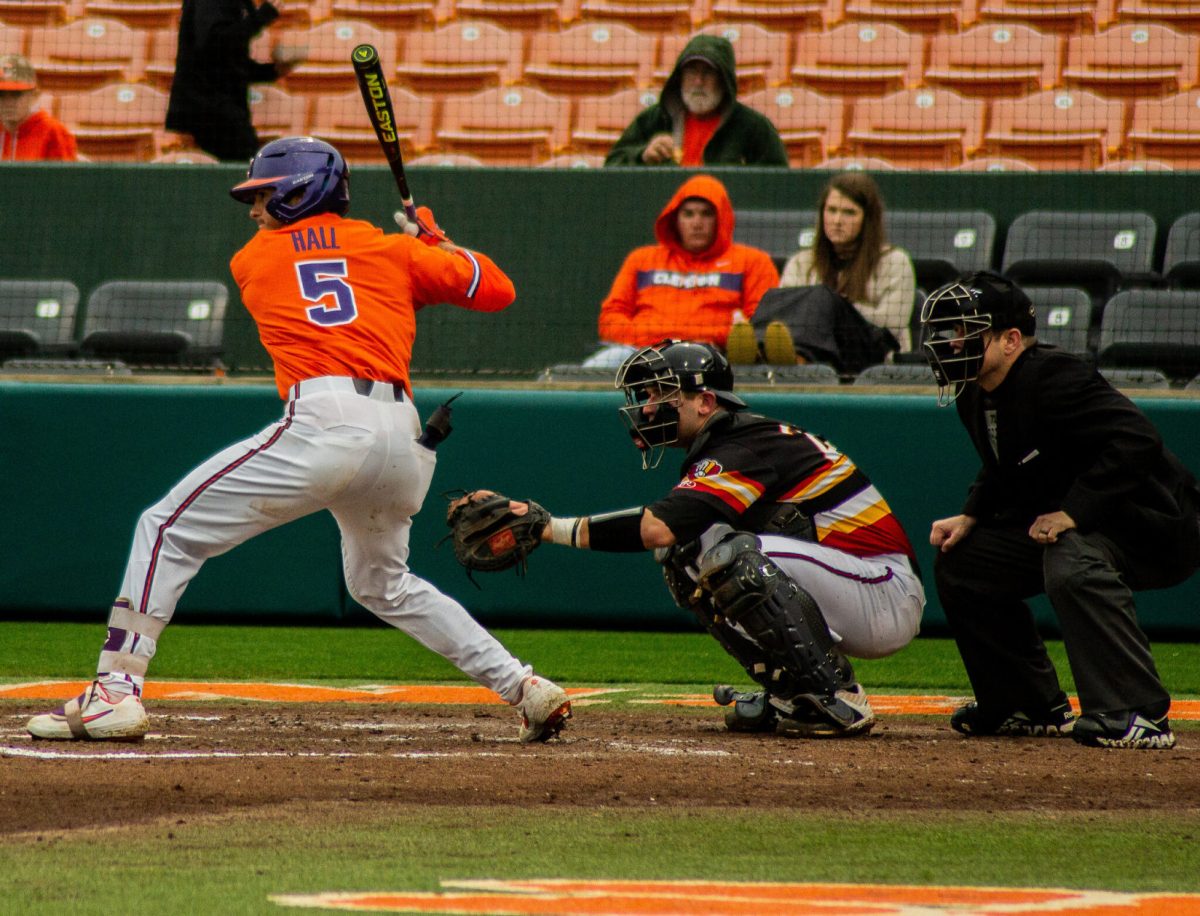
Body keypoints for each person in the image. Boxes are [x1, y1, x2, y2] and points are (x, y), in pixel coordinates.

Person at [26, 137, 571, 744]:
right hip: (404, 439)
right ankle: (525, 687)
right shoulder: (391, 251)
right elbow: (497, 289)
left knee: (166, 528)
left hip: (327, 423)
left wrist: (403, 251)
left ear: (297, 192)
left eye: (262, 195)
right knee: (381, 584)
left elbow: (323, 260)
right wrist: (432, 243)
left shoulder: (254, 260)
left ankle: (114, 692)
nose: (253, 209)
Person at [530, 340, 923, 736]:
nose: (648, 408)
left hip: (884, 591)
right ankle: (792, 690)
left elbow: (654, 527)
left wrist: (547, 529)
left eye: (660, 394)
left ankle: (837, 694)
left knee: (733, 560)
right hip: (850, 585)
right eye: (647, 395)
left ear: (704, 401)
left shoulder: (745, 444)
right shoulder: (727, 442)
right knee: (684, 552)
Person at [921, 270, 1200, 750]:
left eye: (969, 331)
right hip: (1088, 522)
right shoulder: (977, 388)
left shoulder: (1055, 376)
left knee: (1070, 560)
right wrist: (972, 513)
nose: (955, 342)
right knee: (965, 562)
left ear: (1011, 340)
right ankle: (1025, 704)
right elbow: (1007, 462)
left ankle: (1136, 713)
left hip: (1155, 522)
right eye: (954, 331)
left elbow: (1138, 441)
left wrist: (1073, 512)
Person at [581, 174, 779, 368]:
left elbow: (759, 325)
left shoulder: (754, 261)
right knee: (602, 363)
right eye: (688, 214)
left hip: (715, 356)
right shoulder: (641, 259)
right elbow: (610, 319)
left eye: (706, 213)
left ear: (721, 218)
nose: (697, 223)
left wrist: (708, 339)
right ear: (675, 219)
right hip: (644, 353)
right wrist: (663, 341)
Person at [730, 171, 915, 368]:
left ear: (868, 219)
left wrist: (836, 309)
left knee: (822, 298)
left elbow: (891, 326)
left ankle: (798, 359)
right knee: (779, 300)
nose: (837, 220)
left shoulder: (896, 261)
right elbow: (786, 314)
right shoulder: (801, 262)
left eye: (849, 212)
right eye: (832, 210)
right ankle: (758, 351)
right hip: (817, 347)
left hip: (871, 355)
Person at [604, 35, 788, 168]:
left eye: (708, 72)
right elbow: (611, 167)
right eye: (691, 71)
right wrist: (642, 156)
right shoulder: (654, 120)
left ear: (724, 80)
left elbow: (776, 184)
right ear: (680, 77)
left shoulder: (754, 127)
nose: (698, 81)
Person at [166, 0, 306, 162]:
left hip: (223, 109)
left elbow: (229, 62)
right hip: (208, 111)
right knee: (242, 168)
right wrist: (262, 16)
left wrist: (272, 71)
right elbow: (216, 44)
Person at [0, 54, 77, 161]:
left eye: (16, 94)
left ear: (34, 95)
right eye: (1, 94)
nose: (8, 102)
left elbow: (66, 177)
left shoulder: (53, 133)